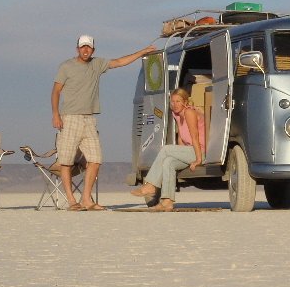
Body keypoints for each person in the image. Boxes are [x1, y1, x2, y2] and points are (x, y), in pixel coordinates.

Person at [52, 34, 156, 210]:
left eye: (89, 47)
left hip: (90, 119)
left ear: (93, 49)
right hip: (70, 117)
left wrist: (142, 52)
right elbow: (56, 91)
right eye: (83, 47)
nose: (86, 50)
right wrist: (56, 114)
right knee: (66, 161)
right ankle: (71, 200)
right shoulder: (66, 66)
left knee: (96, 159)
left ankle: (86, 199)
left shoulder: (97, 64)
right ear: (77, 48)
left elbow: (119, 62)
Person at [130, 87, 206, 212]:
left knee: (166, 150)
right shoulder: (177, 115)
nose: (175, 105)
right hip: (189, 151)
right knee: (169, 162)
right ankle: (167, 202)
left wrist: (198, 159)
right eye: (172, 101)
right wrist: (180, 155)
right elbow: (181, 138)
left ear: (185, 102)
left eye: (178, 101)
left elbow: (195, 136)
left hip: (199, 151)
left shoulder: (189, 112)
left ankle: (151, 185)